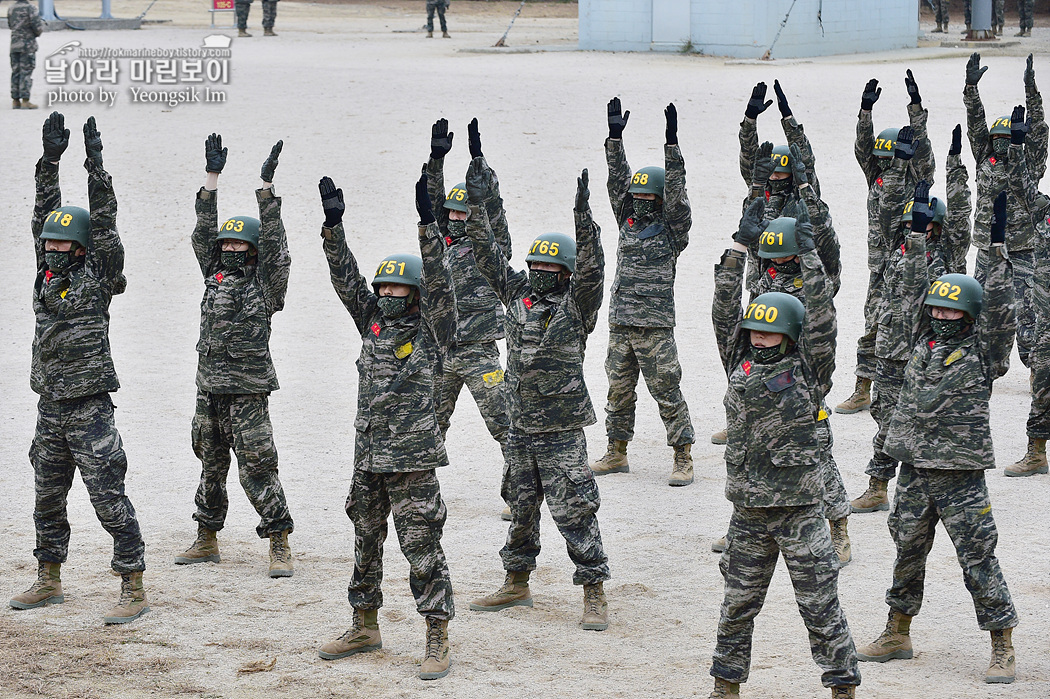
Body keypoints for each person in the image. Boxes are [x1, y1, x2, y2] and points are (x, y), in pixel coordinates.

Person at [856, 189, 1018, 685]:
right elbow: (909, 287)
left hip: (960, 475)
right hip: (913, 469)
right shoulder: (917, 342)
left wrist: (993, 245)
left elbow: (1000, 307)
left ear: (969, 315)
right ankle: (898, 631)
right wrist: (913, 239)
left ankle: (1002, 644)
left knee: (977, 558)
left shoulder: (982, 353)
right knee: (906, 550)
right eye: (938, 310)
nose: (943, 316)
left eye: (953, 312)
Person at [708, 198, 860, 699]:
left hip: (799, 511)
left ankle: (842, 688)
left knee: (820, 607)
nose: (762, 337)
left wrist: (812, 256)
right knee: (737, 606)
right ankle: (724, 687)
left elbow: (822, 319)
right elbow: (725, 311)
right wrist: (738, 252)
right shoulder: (739, 362)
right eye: (757, 330)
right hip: (748, 511)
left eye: (773, 331)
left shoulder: (809, 372)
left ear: (790, 335)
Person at [316, 171, 455, 681]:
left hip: (412, 459)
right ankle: (364, 624)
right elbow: (345, 281)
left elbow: (443, 285)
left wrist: (428, 225)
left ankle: (436, 633)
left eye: (400, 286)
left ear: (416, 293)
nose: (390, 292)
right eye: (385, 286)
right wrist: (334, 228)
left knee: (421, 548)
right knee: (365, 541)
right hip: (369, 454)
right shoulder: (372, 320)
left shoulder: (433, 329)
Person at [10, 112, 148, 625]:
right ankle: (49, 578)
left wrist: (95, 167)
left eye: (66, 243)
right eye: (51, 243)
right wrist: (50, 162)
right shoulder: (43, 272)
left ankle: (132, 584)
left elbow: (106, 223)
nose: (55, 248)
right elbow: (42, 215)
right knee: (47, 496)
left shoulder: (100, 274)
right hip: (50, 406)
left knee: (108, 497)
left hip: (89, 408)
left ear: (84, 248)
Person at [465, 160, 611, 632]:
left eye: (550, 266)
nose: (541, 272)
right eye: (535, 265)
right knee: (520, 506)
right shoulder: (516, 296)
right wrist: (477, 203)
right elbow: (486, 254)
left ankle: (593, 589)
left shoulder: (576, 306)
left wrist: (583, 219)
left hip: (561, 428)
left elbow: (593, 269)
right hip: (518, 426)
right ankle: (516, 580)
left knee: (574, 508)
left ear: (565, 272)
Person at [175, 136, 295, 579]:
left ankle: (279, 540)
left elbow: (278, 250)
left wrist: (265, 189)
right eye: (225, 245)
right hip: (209, 388)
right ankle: (207, 537)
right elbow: (203, 232)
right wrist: (212, 179)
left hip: (247, 391)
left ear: (254, 251)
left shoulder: (266, 287)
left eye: (239, 246)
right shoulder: (214, 275)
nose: (228, 249)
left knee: (258, 467)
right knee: (209, 464)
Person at [713, 80, 839, 446]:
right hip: (763, 286)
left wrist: (789, 120)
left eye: (783, 174)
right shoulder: (759, 198)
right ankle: (740, 412)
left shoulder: (805, 207)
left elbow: (806, 163)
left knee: (803, 364)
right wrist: (749, 121)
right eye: (773, 175)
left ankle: (810, 413)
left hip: (800, 301)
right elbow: (751, 162)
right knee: (748, 352)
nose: (777, 179)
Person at [854, 126, 971, 515]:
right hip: (890, 348)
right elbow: (887, 207)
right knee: (885, 416)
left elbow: (962, 213)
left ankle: (933, 486)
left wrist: (954, 164)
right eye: (908, 225)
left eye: (921, 224)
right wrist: (901, 164)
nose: (912, 230)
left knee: (930, 419)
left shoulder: (949, 254)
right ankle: (877, 487)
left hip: (928, 351)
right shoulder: (895, 248)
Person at [589, 97, 695, 486]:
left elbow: (679, 197)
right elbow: (618, 182)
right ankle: (617, 452)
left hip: (654, 325)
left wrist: (672, 146)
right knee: (618, 389)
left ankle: (683, 456)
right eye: (639, 197)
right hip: (621, 320)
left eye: (651, 197)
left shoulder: (672, 231)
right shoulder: (627, 221)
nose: (642, 202)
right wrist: (615, 139)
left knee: (667, 390)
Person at [426, 118, 511, 519]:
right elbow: (428, 202)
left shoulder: (490, 248)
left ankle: (519, 494)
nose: (458, 218)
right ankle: (419, 496)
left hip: (479, 350)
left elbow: (491, 213)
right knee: (426, 427)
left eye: (464, 213)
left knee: (506, 425)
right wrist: (435, 160)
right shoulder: (436, 244)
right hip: (439, 353)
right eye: (453, 213)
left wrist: (478, 161)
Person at [843, 70, 934, 420]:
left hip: (912, 265)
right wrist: (865, 112)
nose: (881, 164)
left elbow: (923, 148)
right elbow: (862, 149)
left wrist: (915, 105)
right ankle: (863, 388)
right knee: (873, 325)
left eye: (890, 157)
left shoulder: (920, 177)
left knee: (915, 325)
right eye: (880, 160)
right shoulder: (877, 176)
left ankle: (917, 389)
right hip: (879, 267)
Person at [964, 53, 1047, 373]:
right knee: (978, 305)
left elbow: (1039, 130)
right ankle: (980, 363)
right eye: (995, 138)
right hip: (988, 247)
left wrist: (1032, 91)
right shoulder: (985, 158)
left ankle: (1036, 366)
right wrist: (971, 89)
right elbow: (975, 123)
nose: (999, 144)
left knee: (1028, 311)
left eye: (1006, 138)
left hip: (1023, 247)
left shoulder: (1030, 163)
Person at [1004, 106, 1050, 477]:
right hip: (1047, 321)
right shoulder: (1044, 212)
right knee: (1043, 387)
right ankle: (1036, 454)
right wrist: (1018, 145)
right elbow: (1020, 186)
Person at [8, 0, 44, 109]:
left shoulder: (11, 8)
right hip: (27, 45)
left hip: (14, 44)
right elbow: (37, 28)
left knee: (16, 72)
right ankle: (25, 100)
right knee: (26, 72)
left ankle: (15, 100)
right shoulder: (31, 8)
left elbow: (10, 25)